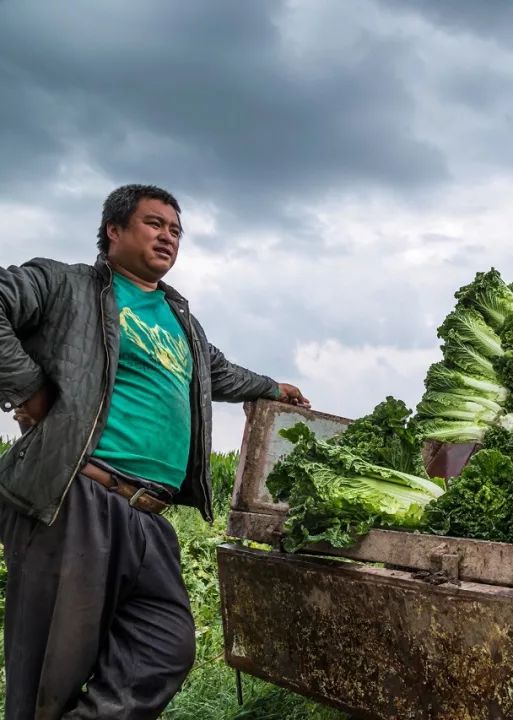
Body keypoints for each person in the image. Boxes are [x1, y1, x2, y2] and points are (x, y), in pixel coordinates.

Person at [0, 184, 310, 719]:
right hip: (78, 496)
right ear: (113, 231)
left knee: (165, 646)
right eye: (154, 224)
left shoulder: (180, 320)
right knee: (53, 672)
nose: (168, 236)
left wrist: (270, 387)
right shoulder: (65, 284)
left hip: (149, 515)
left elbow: (218, 372)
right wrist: (28, 388)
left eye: (175, 229)